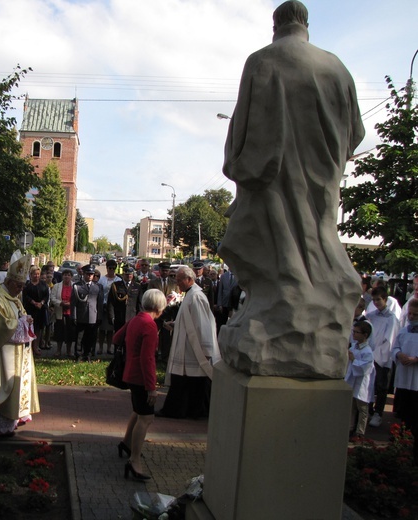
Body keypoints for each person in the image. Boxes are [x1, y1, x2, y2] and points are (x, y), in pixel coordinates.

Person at [217, 0, 365, 378]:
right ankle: (310, 305)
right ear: (306, 24)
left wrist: (238, 164)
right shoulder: (337, 67)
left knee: (282, 246)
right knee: (318, 240)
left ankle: (286, 308)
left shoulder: (262, 60)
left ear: (275, 25)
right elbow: (357, 133)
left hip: (273, 179)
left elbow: (243, 129)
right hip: (323, 181)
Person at [0, 252, 40, 437]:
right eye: (19, 286)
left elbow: (20, 315)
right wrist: (22, 323)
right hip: (2, 356)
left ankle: (11, 420)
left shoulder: (12, 297)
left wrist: (26, 320)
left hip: (16, 354)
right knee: (2, 387)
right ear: (11, 283)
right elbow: (0, 327)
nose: (21, 290)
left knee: (15, 388)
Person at [115, 288, 167, 481]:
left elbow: (115, 338)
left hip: (130, 372)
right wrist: (151, 387)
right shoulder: (150, 326)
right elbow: (148, 359)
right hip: (140, 377)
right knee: (146, 418)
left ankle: (127, 444)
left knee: (138, 411)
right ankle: (134, 460)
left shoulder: (137, 319)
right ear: (159, 307)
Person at [158, 266, 220, 419]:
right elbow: (189, 320)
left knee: (196, 382)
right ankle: (179, 410)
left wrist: (207, 350)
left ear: (189, 279)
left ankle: (195, 412)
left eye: (179, 280)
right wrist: (175, 324)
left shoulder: (196, 297)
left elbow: (203, 324)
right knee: (184, 381)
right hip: (186, 349)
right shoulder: (190, 294)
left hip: (194, 350)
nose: (177, 283)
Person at [366, 286, 400, 427]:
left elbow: (389, 340)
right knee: (369, 385)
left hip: (382, 357)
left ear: (385, 299)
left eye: (378, 299)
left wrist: (380, 357)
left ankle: (378, 413)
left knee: (381, 386)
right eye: (374, 300)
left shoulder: (391, 318)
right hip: (371, 355)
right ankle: (369, 410)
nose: (376, 303)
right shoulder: (372, 316)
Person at [391, 299, 418, 463]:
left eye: (416, 314)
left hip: (416, 382)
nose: (412, 316)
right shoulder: (404, 331)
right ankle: (401, 444)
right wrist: (399, 354)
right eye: (410, 314)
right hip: (404, 379)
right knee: (404, 412)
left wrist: (416, 359)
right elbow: (395, 347)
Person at [345, 320, 375, 439]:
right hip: (352, 380)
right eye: (353, 331)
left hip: (362, 383)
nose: (354, 334)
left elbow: (365, 368)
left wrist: (353, 360)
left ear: (365, 335)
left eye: (357, 332)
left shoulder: (367, 351)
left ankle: (360, 432)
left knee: (362, 409)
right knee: (352, 407)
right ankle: (350, 428)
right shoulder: (354, 347)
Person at [70, 264, 104, 361]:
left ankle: (87, 354)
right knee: (79, 337)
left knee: (90, 337)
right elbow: (73, 303)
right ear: (83, 274)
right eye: (88, 274)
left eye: (91, 274)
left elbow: (99, 303)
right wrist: (74, 316)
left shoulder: (98, 287)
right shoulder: (77, 286)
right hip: (81, 315)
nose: (90, 276)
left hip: (93, 316)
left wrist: (99, 317)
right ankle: (78, 355)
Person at [22, 265, 49, 356]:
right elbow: (25, 296)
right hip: (30, 309)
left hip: (40, 310)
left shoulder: (43, 284)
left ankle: (35, 347)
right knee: (29, 329)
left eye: (38, 274)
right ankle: (28, 347)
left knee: (38, 329)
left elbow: (46, 295)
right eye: (35, 274)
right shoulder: (27, 285)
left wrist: (41, 303)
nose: (36, 276)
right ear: (31, 274)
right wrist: (33, 302)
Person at [108, 265, 142, 335]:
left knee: (130, 340)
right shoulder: (115, 285)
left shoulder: (137, 286)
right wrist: (112, 317)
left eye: (130, 274)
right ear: (123, 274)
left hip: (132, 317)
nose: (129, 276)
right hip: (119, 318)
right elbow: (111, 302)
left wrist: (139, 317)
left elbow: (139, 304)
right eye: (127, 274)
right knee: (118, 340)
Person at [97, 259, 122, 355]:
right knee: (102, 329)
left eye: (113, 268)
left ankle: (109, 348)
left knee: (111, 330)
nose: (111, 270)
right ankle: (100, 348)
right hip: (103, 306)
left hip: (113, 307)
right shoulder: (102, 279)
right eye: (109, 268)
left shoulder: (118, 280)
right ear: (106, 268)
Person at [50, 269, 75, 357]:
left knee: (70, 333)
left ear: (71, 277)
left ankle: (69, 351)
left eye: (68, 275)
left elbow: (77, 298)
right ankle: (58, 350)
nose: (66, 276)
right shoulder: (57, 286)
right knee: (59, 332)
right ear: (62, 276)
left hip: (71, 313)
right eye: (65, 275)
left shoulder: (75, 286)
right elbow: (52, 298)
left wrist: (70, 304)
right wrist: (60, 303)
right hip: (59, 312)